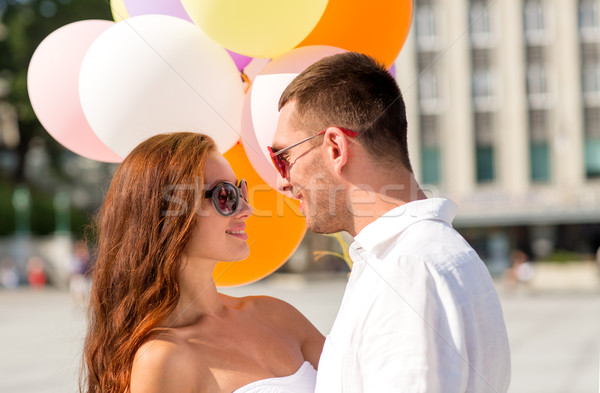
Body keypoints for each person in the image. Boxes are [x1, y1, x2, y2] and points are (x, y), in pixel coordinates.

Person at [270, 52, 511, 392]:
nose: (281, 181)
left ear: (335, 148)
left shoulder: (408, 270)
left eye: (283, 158)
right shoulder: (421, 255)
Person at [82, 132, 324, 393]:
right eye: (225, 196)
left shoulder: (279, 316)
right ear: (168, 213)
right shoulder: (163, 359)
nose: (246, 209)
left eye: (241, 191)